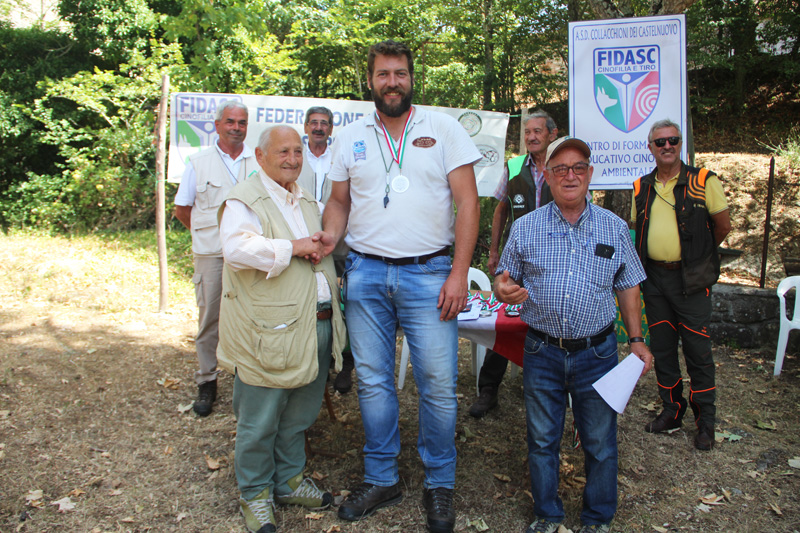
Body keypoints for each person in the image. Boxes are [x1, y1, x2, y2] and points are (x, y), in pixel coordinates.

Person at [314, 40, 481, 533]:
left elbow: (468, 204)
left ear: (412, 78)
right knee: (373, 381)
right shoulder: (350, 137)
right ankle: (382, 476)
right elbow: (340, 202)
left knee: (437, 384)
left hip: (430, 273)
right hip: (365, 273)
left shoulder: (443, 128)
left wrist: (458, 273)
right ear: (370, 81)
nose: (393, 82)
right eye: (383, 74)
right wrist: (328, 236)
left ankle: (439, 484)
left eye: (400, 73)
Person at [494, 137, 653, 533]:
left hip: (596, 353)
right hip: (542, 350)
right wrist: (502, 288)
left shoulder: (614, 227)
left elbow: (629, 284)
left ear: (590, 174)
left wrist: (635, 340)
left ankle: (597, 520)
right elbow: (504, 277)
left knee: (600, 442)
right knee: (542, 439)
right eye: (560, 169)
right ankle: (548, 515)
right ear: (546, 176)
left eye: (578, 167)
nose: (570, 176)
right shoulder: (526, 226)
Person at [216, 125, 346, 533]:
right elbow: (235, 250)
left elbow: (315, 243)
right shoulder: (246, 200)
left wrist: (322, 241)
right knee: (260, 419)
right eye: (282, 152)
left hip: (313, 324)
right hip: (269, 331)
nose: (292, 158)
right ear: (259, 157)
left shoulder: (304, 196)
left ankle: (288, 480)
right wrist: (294, 247)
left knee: (299, 414)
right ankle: (255, 493)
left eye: (297, 151)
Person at [632, 119, 731, 451]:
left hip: (691, 280)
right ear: (651, 148)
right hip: (655, 279)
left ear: (680, 143)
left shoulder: (703, 180)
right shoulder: (640, 186)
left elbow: (722, 226)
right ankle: (672, 410)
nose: (666, 146)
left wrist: (696, 256)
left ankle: (705, 423)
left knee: (697, 352)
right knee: (662, 348)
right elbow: (640, 231)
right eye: (659, 142)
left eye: (672, 140)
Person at [469, 109, 558, 418]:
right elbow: (500, 210)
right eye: (527, 133)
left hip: (555, 263)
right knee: (505, 321)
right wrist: (494, 251)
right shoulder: (514, 166)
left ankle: (543, 383)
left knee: (546, 320)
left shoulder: (563, 167)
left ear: (552, 134)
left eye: (537, 131)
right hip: (517, 260)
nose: (531, 137)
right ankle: (489, 389)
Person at [174, 100, 256, 417]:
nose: (236, 127)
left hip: (250, 252)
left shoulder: (258, 160)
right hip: (211, 253)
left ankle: (246, 379)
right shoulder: (199, 162)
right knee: (210, 318)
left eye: (242, 123)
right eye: (231, 122)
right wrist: (211, 235)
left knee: (249, 315)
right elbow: (184, 210)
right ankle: (207, 381)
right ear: (217, 124)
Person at [297, 105, 356, 394]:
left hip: (341, 247)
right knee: (310, 306)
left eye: (324, 123)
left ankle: (345, 363)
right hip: (304, 246)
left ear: (331, 129)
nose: (319, 128)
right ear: (306, 126)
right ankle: (313, 363)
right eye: (314, 123)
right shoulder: (294, 158)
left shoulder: (341, 158)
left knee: (347, 307)